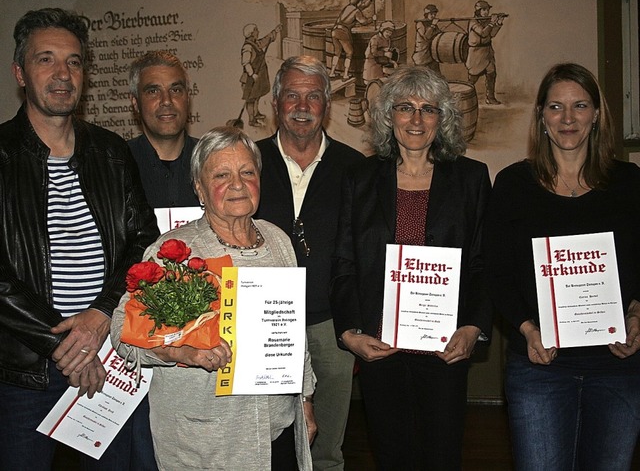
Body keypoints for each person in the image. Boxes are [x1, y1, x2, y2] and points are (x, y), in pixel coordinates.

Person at [0, 8, 159, 470]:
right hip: (25, 371)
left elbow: (142, 244)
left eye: (73, 62)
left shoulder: (110, 152)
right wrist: (63, 345)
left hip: (110, 355)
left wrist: (97, 318)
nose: (62, 74)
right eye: (46, 60)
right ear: (20, 73)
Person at [111, 126, 317, 470]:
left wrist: (306, 400)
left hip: (276, 433)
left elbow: (295, 334)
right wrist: (184, 352)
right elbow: (123, 334)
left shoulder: (278, 240)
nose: (238, 184)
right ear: (199, 189)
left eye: (247, 172)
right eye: (222, 174)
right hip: (204, 443)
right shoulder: (175, 253)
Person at [331, 65, 492, 470]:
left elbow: (482, 261)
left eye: (428, 109)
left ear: (444, 118)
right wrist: (349, 331)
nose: (416, 119)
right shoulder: (360, 178)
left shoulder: (471, 178)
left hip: (445, 347)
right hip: (380, 347)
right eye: (405, 107)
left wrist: (473, 326)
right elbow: (345, 259)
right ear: (388, 116)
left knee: (442, 455)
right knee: (391, 455)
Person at [483, 63, 640, 470]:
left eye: (580, 106)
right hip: (540, 367)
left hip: (617, 365)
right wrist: (527, 328)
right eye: (556, 107)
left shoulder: (629, 182)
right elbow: (497, 273)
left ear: (597, 115)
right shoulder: (513, 184)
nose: (568, 118)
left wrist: (638, 313)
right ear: (541, 116)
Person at [255, 55, 364, 470]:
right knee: (268, 443)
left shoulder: (356, 168)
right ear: (276, 102)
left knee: (328, 449)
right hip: (264, 322)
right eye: (292, 95)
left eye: (314, 96)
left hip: (332, 327)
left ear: (327, 105)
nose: (302, 105)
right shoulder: (249, 162)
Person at [128, 50, 199, 208]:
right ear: (135, 103)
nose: (166, 101)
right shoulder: (117, 165)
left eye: (175, 90)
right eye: (153, 91)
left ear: (187, 98)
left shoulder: (212, 159)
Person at [240, 23, 282, 127]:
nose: (258, 32)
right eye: (256, 31)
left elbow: (265, 41)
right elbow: (246, 63)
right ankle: (251, 120)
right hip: (250, 78)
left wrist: (275, 31)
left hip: (258, 76)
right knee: (250, 99)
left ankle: (256, 113)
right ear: (252, 33)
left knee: (256, 96)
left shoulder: (255, 44)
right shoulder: (247, 47)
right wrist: (252, 74)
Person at [465, 0, 505, 105]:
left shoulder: (486, 21)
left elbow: (491, 34)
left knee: (492, 74)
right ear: (478, 11)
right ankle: (464, 98)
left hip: (487, 52)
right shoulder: (473, 21)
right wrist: (492, 23)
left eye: (487, 10)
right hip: (476, 53)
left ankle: (490, 98)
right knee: (472, 78)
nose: (486, 12)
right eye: (484, 10)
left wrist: (498, 24)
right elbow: (483, 33)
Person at [328, 0, 375, 81]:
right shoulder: (356, 11)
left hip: (334, 31)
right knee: (349, 53)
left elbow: (363, 6)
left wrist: (370, 0)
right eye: (361, 1)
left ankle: (332, 73)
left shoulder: (348, 7)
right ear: (358, 2)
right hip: (342, 32)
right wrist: (373, 19)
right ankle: (345, 75)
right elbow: (363, 22)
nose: (362, 3)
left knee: (337, 52)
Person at [363, 20, 398, 85]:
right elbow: (374, 52)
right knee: (373, 84)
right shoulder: (375, 39)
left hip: (380, 64)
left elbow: (387, 53)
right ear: (382, 30)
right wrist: (384, 53)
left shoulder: (388, 40)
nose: (388, 34)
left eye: (390, 33)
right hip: (372, 64)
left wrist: (392, 62)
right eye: (387, 32)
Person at [412, 4, 442, 74]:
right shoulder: (420, 24)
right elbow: (426, 36)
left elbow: (438, 35)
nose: (433, 16)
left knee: (437, 77)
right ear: (426, 14)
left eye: (434, 14)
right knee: (421, 78)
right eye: (431, 14)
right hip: (422, 56)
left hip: (432, 55)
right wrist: (433, 25)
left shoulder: (433, 24)